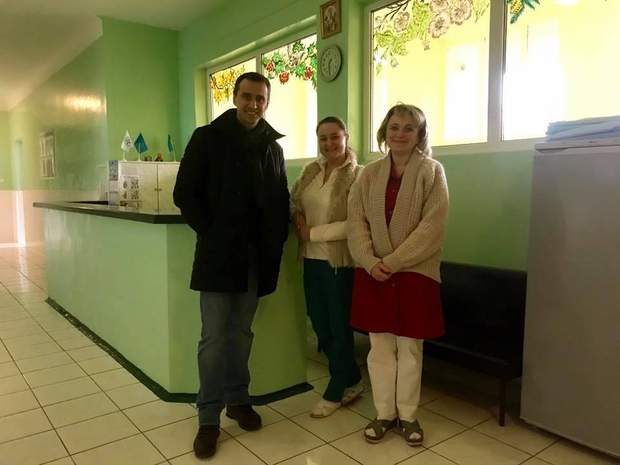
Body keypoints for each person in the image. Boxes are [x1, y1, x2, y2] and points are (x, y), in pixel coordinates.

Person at [173, 72, 289, 459]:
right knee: (213, 340)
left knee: (242, 335)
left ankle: (238, 401)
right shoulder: (207, 138)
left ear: (266, 103)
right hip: (219, 259)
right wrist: (212, 233)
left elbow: (279, 200)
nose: (254, 104)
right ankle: (208, 418)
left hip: (256, 262)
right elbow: (184, 193)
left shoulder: (273, 148)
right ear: (235, 97)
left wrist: (276, 240)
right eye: (248, 96)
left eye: (260, 98)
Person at [347, 104, 449, 446]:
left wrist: (392, 261)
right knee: (379, 348)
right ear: (384, 132)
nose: (400, 133)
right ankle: (384, 414)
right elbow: (356, 222)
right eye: (394, 127)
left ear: (420, 134)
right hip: (372, 272)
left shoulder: (432, 171)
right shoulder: (368, 174)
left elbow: (432, 227)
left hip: (415, 273)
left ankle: (407, 416)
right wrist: (369, 260)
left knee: (409, 349)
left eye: (408, 128)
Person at [290, 116, 364, 419]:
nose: (329, 143)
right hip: (310, 259)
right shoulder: (311, 171)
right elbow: (294, 202)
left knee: (338, 325)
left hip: (338, 262)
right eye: (323, 138)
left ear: (346, 136)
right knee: (319, 323)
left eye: (335, 136)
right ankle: (352, 377)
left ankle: (336, 388)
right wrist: (297, 219)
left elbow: (355, 223)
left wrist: (312, 234)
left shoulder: (358, 175)